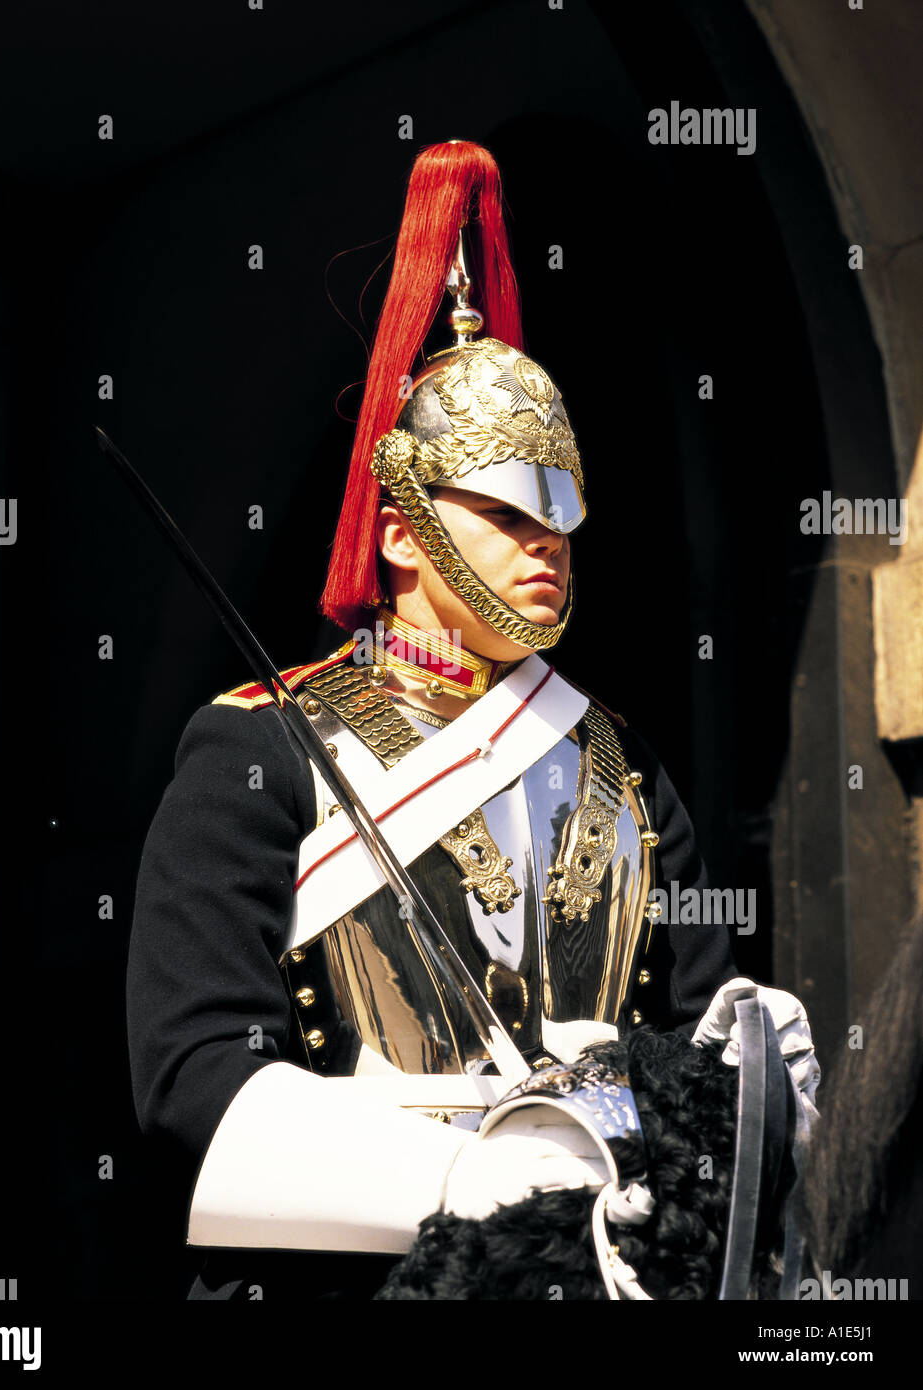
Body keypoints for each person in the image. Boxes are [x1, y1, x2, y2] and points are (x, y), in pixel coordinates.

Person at [126, 140, 818, 1300]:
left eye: (562, 509)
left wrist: (738, 1094)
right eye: (507, 507)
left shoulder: (623, 766)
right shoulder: (259, 747)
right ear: (401, 531)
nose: (547, 540)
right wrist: (478, 1181)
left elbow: (688, 1036)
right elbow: (193, 1073)